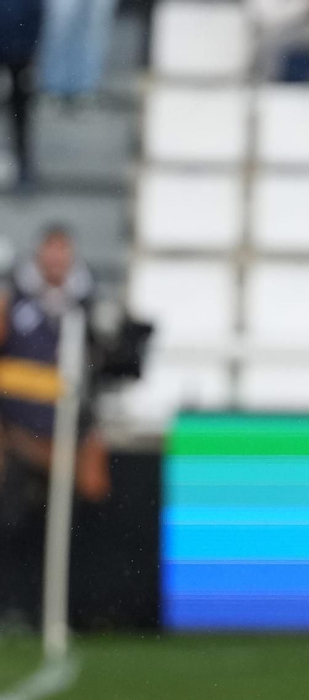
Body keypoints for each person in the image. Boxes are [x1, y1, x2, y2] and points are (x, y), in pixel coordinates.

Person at [0, 226, 109, 623]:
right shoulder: (13, 299)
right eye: (50, 253)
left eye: (63, 254)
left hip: (65, 433)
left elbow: (96, 368)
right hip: (16, 431)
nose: (56, 261)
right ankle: (11, 605)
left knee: (71, 520)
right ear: (39, 256)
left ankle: (67, 608)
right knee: (11, 520)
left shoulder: (85, 303)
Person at [0, 0, 42, 190]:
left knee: (20, 114)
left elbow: (35, 14)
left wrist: (29, 53)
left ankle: (24, 168)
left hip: (19, 53)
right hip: (16, 47)